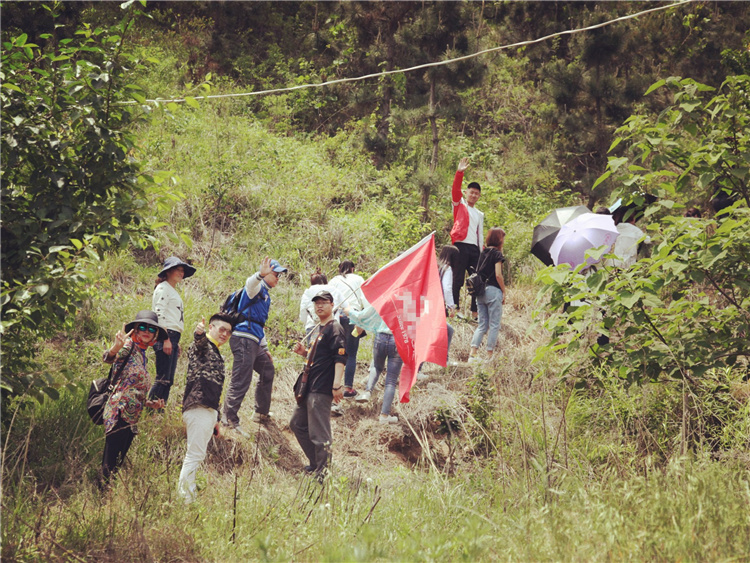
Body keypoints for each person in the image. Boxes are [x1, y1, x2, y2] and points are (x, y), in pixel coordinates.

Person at [222, 256, 287, 437]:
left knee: (267, 370)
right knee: (241, 378)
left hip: (255, 340)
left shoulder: (266, 296)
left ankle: (260, 412)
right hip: (243, 338)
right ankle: (228, 420)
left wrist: (265, 349)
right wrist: (260, 274)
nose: (278, 278)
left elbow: (259, 324)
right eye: (276, 274)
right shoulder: (255, 288)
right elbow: (250, 284)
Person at [100, 311, 167, 487]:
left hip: (132, 416)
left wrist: (149, 403)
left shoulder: (143, 355)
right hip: (119, 411)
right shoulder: (128, 345)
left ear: (155, 334)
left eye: (151, 329)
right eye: (142, 327)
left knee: (119, 460)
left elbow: (134, 387)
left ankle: (108, 494)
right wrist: (116, 347)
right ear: (135, 330)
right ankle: (102, 493)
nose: (147, 331)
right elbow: (108, 358)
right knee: (111, 458)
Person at [177, 313, 235, 503]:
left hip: (208, 410)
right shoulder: (202, 346)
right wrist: (198, 333)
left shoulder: (217, 353)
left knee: (197, 455)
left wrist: (216, 418)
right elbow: (198, 343)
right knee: (194, 455)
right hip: (198, 406)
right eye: (222, 329)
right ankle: (186, 500)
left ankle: (188, 497)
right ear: (211, 327)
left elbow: (214, 387)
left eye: (229, 332)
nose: (225, 334)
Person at [290, 290, 346, 478]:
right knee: (297, 424)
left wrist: (337, 384)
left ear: (332, 305)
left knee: (319, 433)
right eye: (316, 303)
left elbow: (340, 357)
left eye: (324, 302)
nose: (319, 305)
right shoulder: (320, 329)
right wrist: (305, 353)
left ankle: (324, 472)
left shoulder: (335, 328)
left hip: (321, 387)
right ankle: (316, 463)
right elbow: (321, 358)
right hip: (309, 386)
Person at [149, 256, 196, 404]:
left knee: (168, 379)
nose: (181, 273)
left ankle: (159, 409)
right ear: (168, 271)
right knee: (162, 377)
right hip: (165, 334)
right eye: (178, 270)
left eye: (183, 271)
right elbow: (159, 313)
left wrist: (175, 341)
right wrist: (165, 338)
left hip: (172, 336)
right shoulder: (163, 288)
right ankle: (150, 409)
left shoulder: (171, 290)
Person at [350, 303, 403, 424]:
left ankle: (367, 392)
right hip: (398, 339)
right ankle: (384, 415)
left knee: (376, 367)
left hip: (381, 336)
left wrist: (349, 312)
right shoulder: (410, 299)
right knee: (391, 380)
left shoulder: (385, 298)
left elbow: (365, 313)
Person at [450, 157, 484, 320]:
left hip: (474, 249)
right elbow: (455, 190)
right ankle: (455, 310)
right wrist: (460, 173)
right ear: (466, 193)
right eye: (471, 192)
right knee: (458, 278)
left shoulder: (479, 214)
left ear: (479, 196)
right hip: (460, 246)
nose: (474, 195)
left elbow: (480, 234)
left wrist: (481, 250)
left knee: (477, 279)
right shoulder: (459, 204)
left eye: (477, 194)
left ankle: (475, 312)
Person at [328, 260, 366, 398]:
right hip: (353, 317)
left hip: (337, 317)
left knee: (335, 353)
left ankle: (331, 385)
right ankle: (348, 389)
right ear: (352, 268)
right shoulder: (358, 279)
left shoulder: (333, 281)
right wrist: (363, 319)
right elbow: (365, 299)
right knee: (351, 354)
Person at [469, 227, 507, 362]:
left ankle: (473, 354)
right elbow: (498, 275)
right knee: (494, 324)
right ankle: (489, 355)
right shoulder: (497, 254)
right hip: (493, 291)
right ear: (500, 239)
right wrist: (503, 290)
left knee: (482, 324)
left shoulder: (483, 252)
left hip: (480, 292)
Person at [298, 270, 344, 338]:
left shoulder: (307, 293)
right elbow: (346, 307)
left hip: (312, 327)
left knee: (312, 348)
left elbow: (303, 314)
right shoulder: (335, 290)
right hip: (332, 327)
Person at [437, 245, 459, 363]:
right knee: (445, 331)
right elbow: (447, 288)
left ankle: (444, 359)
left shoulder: (435, 266)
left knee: (448, 330)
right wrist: (451, 306)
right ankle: (443, 360)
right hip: (436, 308)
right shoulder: (447, 269)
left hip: (427, 305)